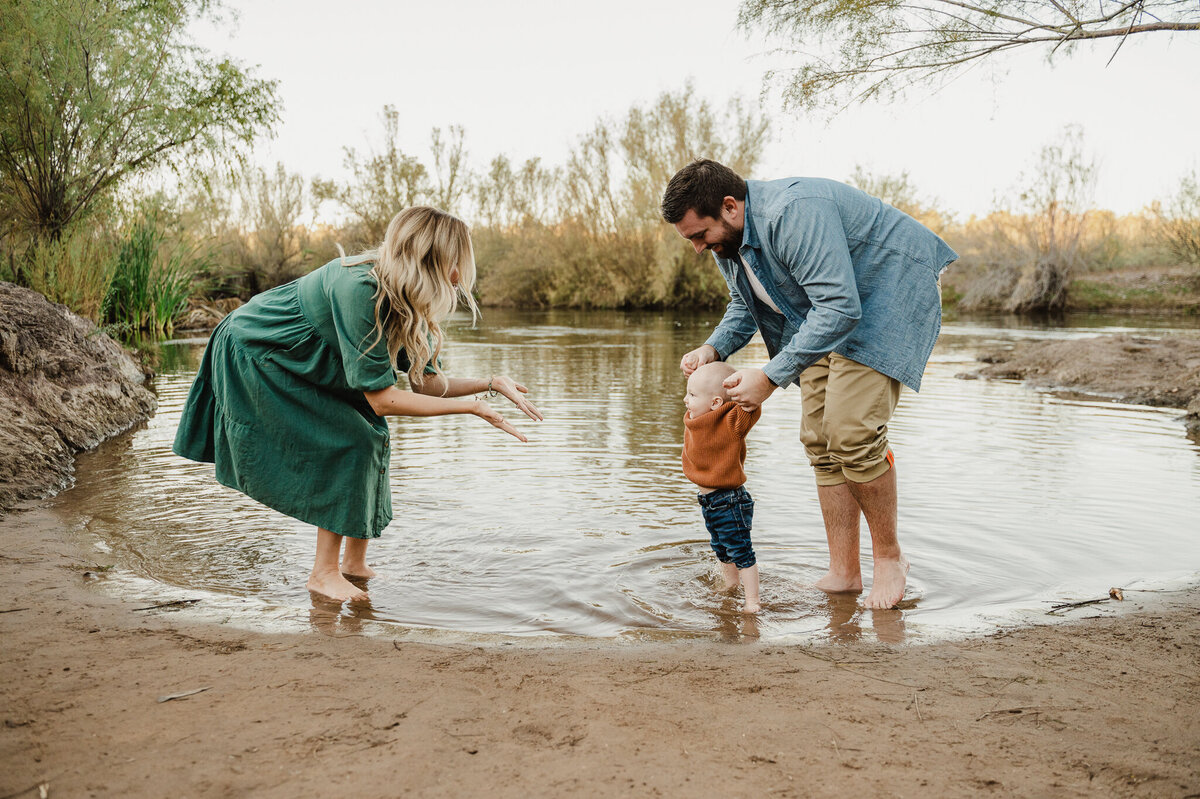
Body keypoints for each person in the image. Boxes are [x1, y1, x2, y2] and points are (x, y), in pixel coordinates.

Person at [172, 206, 542, 602]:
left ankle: (353, 564)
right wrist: (470, 408)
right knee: (351, 437)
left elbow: (427, 384)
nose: (460, 275)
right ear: (430, 259)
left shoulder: (407, 295)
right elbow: (383, 401)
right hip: (259, 349)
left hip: (307, 356)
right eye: (456, 263)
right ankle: (323, 573)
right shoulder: (359, 289)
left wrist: (490, 383)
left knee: (369, 434)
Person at [662, 159, 956, 609]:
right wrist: (712, 349)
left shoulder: (792, 212)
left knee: (852, 433)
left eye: (700, 235)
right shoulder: (732, 245)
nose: (699, 248)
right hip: (821, 312)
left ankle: (891, 559)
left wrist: (772, 375)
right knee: (819, 439)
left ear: (729, 207)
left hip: (886, 293)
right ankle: (844, 571)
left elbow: (841, 307)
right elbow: (746, 304)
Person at [683, 361, 763, 613]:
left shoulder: (731, 421)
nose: (686, 399)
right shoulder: (697, 417)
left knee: (741, 551)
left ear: (716, 402)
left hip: (729, 500)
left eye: (692, 395)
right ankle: (730, 587)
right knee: (721, 549)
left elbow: (750, 407)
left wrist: (749, 387)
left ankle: (753, 602)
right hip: (709, 502)